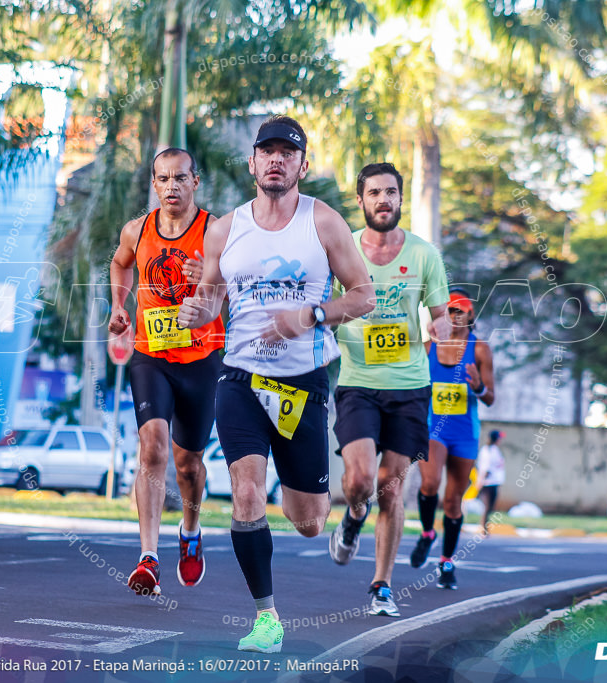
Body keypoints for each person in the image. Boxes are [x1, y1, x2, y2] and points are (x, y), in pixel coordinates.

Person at [177, 115, 374, 653]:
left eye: (287, 152)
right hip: (239, 376)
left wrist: (310, 315)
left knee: (308, 520)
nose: (276, 159)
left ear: (301, 165)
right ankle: (267, 618)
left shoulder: (324, 222)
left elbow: (363, 295)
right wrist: (198, 311)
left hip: (302, 383)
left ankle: (353, 512)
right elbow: (211, 299)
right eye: (267, 151)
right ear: (253, 164)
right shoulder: (226, 228)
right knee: (245, 491)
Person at [328, 162, 451, 618]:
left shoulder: (423, 255)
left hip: (410, 389)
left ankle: (381, 585)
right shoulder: (343, 251)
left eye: (391, 192)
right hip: (358, 383)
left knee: (392, 490)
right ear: (360, 201)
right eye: (375, 193)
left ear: (401, 199)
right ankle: (353, 516)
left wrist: (441, 329)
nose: (384, 200)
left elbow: (439, 311)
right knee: (360, 482)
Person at [108, 148, 225, 597]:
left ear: (196, 182)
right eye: (163, 179)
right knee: (152, 446)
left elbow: (239, 291)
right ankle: (149, 557)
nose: (171, 187)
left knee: (187, 464)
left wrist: (211, 275)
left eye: (180, 178)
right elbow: (120, 264)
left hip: (201, 360)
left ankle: (191, 531)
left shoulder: (215, 232)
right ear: (153, 185)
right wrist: (119, 307)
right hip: (151, 355)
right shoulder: (136, 231)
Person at [410, 289, 495, 590]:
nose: (454, 316)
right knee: (430, 483)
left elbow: (490, 398)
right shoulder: (427, 347)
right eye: (449, 311)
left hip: (465, 433)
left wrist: (478, 387)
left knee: (453, 500)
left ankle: (446, 561)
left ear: (471, 315)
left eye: (460, 310)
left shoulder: (480, 350)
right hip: (433, 429)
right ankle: (427, 533)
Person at [474, 429, 506, 535]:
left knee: (490, 507)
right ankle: (484, 529)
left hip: (494, 482)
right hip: (487, 483)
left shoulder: (495, 450)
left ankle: (485, 528)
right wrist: (480, 481)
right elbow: (485, 468)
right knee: (487, 506)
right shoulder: (487, 450)